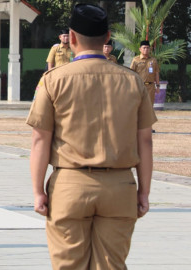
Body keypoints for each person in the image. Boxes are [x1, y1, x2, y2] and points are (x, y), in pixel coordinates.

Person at [26, 4, 156, 269]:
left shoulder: (53, 80)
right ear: (108, 37)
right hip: (119, 186)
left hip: (70, 185)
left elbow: (40, 139)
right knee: (112, 265)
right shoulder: (132, 81)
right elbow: (145, 141)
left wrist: (38, 190)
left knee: (68, 265)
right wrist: (144, 192)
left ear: (71, 38)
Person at [130, 40, 160, 107]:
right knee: (139, 105)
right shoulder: (135, 60)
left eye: (147, 48)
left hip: (150, 87)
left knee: (149, 106)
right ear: (140, 49)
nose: (146, 49)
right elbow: (131, 73)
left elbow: (157, 73)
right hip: (139, 86)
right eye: (144, 48)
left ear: (150, 49)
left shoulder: (153, 60)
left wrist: (158, 86)